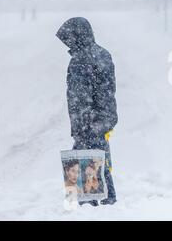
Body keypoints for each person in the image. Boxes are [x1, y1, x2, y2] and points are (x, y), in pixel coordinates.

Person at [57, 17, 118, 206]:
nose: (67, 43)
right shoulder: (102, 54)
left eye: (69, 38)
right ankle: (103, 201)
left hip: (89, 121)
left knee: (86, 163)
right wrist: (104, 119)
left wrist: (81, 126)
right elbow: (106, 92)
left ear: (77, 36)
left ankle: (87, 204)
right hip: (102, 118)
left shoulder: (80, 60)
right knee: (100, 162)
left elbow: (80, 98)